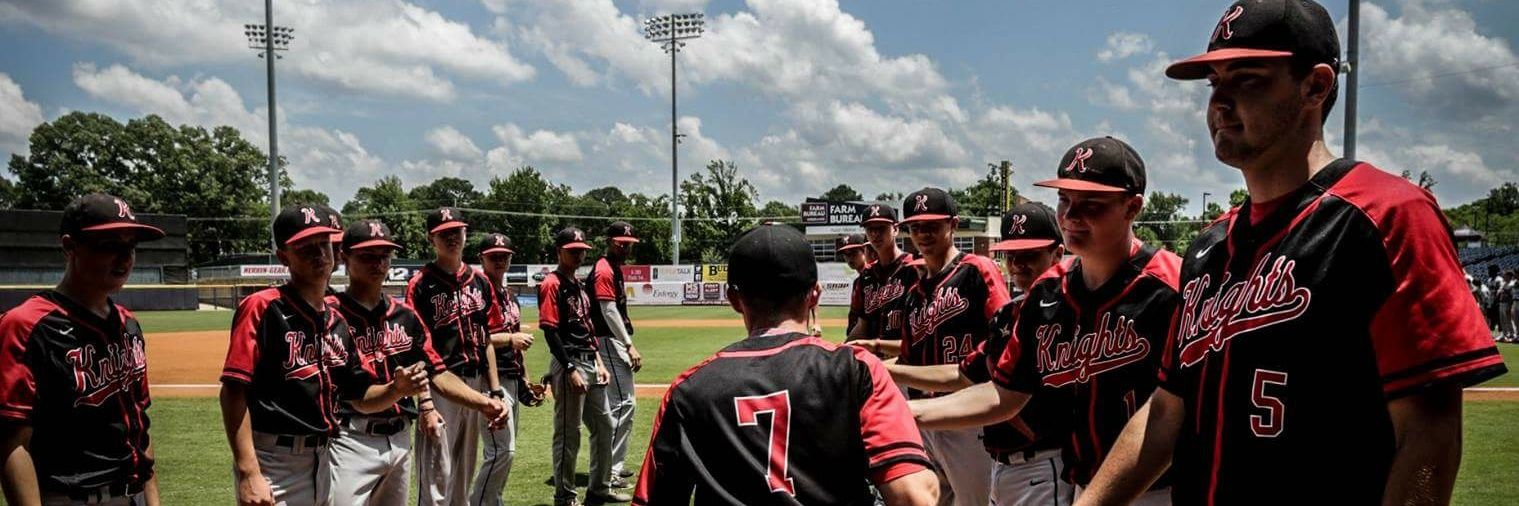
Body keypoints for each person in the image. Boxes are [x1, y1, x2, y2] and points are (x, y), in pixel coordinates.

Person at [1076, 2, 1507, 504]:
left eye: (1247, 79)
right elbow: (1169, 409)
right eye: (1214, 82)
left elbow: (1428, 434)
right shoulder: (1208, 248)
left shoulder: (1386, 216)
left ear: (1315, 86)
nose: (1220, 102)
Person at [910, 137, 1181, 505]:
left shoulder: (1171, 284)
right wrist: (908, 411)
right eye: (1064, 200)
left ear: (1132, 207)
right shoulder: (1047, 293)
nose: (1070, 216)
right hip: (1085, 486)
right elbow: (1005, 394)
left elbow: (1173, 413)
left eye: (1091, 204)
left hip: (1164, 492)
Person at [633, 224, 939, 505]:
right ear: (815, 294)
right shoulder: (856, 368)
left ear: (733, 299)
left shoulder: (688, 389)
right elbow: (914, 498)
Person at [221, 205, 421, 506]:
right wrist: (249, 472)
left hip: (325, 458)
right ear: (284, 257)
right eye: (305, 247)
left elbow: (360, 397)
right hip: (274, 460)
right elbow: (233, 391)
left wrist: (395, 390)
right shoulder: (263, 307)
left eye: (323, 244)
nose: (319, 254)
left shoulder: (336, 321)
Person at [883, 201, 1073, 505]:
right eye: (1011, 255)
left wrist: (901, 412)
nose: (1018, 265)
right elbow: (965, 373)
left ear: (1058, 253)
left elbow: (1001, 397)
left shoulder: (1069, 311)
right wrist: (881, 370)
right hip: (1002, 459)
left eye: (1030, 254)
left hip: (1044, 461)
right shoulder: (1010, 315)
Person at [327, 219, 507, 506]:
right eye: (367, 255)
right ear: (344, 257)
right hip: (349, 437)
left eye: (384, 255)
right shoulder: (330, 315)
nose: (378, 263)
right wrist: (401, 392)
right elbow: (357, 397)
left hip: (399, 436)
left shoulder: (404, 316)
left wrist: (484, 402)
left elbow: (437, 373)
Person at [0, 193, 163, 506]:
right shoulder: (27, 326)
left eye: (130, 246)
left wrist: (152, 500)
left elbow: (140, 425)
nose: (124, 257)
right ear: (69, 246)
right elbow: (12, 442)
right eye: (109, 245)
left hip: (134, 495)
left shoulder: (128, 324)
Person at [892, 187, 1011, 506]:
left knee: (977, 502)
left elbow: (1003, 335)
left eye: (933, 225)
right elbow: (907, 360)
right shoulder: (914, 295)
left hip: (967, 416)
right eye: (916, 227)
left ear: (953, 224)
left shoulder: (976, 270)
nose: (923, 234)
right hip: (925, 416)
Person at [405, 208, 509, 506]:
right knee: (437, 477)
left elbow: (486, 339)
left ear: (465, 233)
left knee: (463, 473)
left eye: (456, 231)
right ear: (431, 239)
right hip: (441, 387)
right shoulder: (421, 284)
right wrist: (425, 403)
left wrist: (495, 389)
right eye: (444, 233)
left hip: (475, 384)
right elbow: (415, 350)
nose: (452, 237)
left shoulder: (480, 281)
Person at [541, 227, 624, 506]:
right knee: (569, 434)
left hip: (589, 361)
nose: (578, 254)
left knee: (605, 426)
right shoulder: (552, 284)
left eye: (581, 250)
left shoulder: (577, 284)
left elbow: (587, 329)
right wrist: (569, 368)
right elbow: (551, 331)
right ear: (559, 252)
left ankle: (599, 489)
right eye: (572, 250)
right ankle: (564, 496)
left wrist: (599, 361)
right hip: (570, 363)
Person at [473, 233, 537, 506]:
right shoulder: (478, 292)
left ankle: (492, 501)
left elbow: (516, 343)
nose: (499, 260)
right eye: (493, 256)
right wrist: (510, 339)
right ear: (482, 259)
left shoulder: (509, 296)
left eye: (504, 256)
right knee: (501, 451)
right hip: (489, 380)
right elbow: (478, 337)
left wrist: (525, 379)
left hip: (510, 376)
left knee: (504, 451)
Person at [585, 222, 643, 489]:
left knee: (618, 404)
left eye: (629, 244)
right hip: (608, 340)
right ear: (609, 241)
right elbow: (608, 310)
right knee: (624, 403)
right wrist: (628, 345)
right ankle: (611, 469)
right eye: (621, 243)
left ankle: (610, 465)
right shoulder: (604, 269)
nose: (626, 247)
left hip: (609, 340)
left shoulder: (612, 267)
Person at [848, 205, 917, 354]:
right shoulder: (867, 276)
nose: (875, 234)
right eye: (870, 229)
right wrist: (839, 350)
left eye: (881, 228)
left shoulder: (914, 268)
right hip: (875, 361)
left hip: (907, 359)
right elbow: (863, 326)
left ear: (895, 229)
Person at [838, 233, 870, 336]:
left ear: (865, 251)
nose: (849, 258)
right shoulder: (858, 281)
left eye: (853, 252)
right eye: (846, 254)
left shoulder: (873, 278)